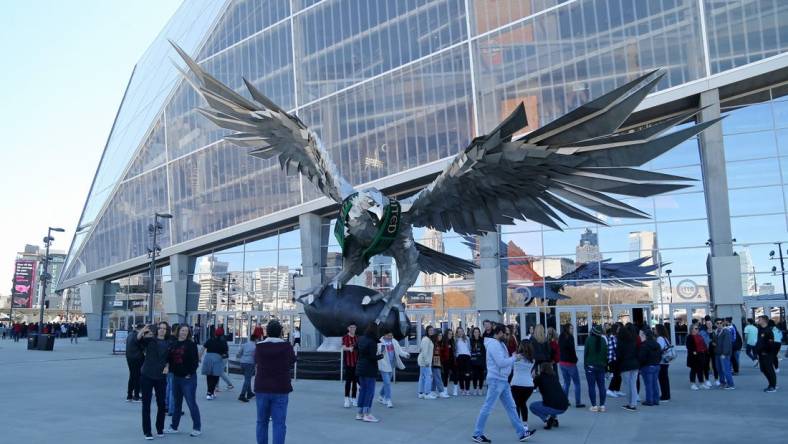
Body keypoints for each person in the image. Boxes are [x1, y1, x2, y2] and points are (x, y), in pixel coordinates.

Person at [471, 324, 535, 443]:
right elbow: (501, 363)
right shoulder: (494, 345)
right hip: (496, 380)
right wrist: (515, 358)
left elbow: (504, 362)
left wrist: (513, 357)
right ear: (499, 332)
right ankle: (477, 433)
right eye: (505, 333)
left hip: (502, 380)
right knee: (488, 407)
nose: (507, 335)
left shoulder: (499, 344)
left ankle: (521, 433)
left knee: (511, 407)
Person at [254, 319, 296, 444]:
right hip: (281, 388)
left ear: (267, 332)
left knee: (261, 422)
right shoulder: (286, 346)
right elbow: (292, 360)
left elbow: (256, 360)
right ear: (280, 333)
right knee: (279, 423)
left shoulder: (259, 346)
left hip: (262, 387)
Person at [164, 325, 202, 437]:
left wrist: (189, 373)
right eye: (182, 330)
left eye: (186, 331)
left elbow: (195, 361)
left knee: (191, 403)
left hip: (188, 379)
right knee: (177, 403)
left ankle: (197, 427)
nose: (184, 332)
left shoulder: (191, 344)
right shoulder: (174, 343)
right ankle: (174, 426)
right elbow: (169, 359)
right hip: (176, 377)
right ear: (178, 332)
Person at [137, 322, 171, 440]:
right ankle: (147, 431)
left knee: (161, 404)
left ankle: (160, 428)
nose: (162, 330)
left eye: (164, 329)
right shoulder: (150, 340)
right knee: (146, 404)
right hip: (147, 375)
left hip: (161, 377)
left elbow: (169, 358)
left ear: (167, 331)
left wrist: (167, 366)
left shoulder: (168, 343)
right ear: (157, 330)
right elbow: (138, 339)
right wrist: (143, 330)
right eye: (160, 328)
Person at [355, 322, 383, 422]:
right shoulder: (372, 341)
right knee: (370, 392)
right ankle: (367, 413)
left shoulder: (360, 338)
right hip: (369, 369)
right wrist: (381, 356)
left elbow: (355, 349)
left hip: (360, 368)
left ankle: (359, 413)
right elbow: (372, 357)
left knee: (363, 390)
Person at [530, 362, 569, 430]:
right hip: (564, 406)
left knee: (532, 406)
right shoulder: (554, 377)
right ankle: (555, 419)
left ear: (541, 369)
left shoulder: (539, 378)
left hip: (553, 406)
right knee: (552, 400)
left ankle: (546, 420)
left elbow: (531, 387)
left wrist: (533, 377)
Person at [376, 328, 410, 407]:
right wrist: (382, 349)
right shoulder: (380, 342)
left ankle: (381, 396)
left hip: (391, 364)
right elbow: (379, 352)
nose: (390, 337)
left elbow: (399, 351)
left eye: (391, 335)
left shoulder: (394, 341)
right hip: (384, 364)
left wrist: (406, 354)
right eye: (388, 335)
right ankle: (388, 399)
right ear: (384, 335)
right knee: (387, 382)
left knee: (386, 383)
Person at [558, 324, 584, 408]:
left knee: (566, 383)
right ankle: (578, 402)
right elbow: (572, 350)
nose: (573, 330)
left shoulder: (561, 337)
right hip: (570, 363)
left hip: (562, 362)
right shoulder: (570, 337)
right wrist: (575, 359)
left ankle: (564, 401)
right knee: (577, 383)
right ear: (567, 329)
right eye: (571, 328)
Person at [583, 325, 608, 412]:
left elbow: (586, 353)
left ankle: (594, 406)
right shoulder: (603, 341)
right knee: (602, 386)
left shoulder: (588, 339)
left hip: (590, 366)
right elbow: (606, 354)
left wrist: (585, 365)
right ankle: (602, 405)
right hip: (601, 366)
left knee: (591, 386)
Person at [511, 341, 535, 425]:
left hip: (516, 383)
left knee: (516, 404)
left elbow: (509, 365)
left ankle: (517, 423)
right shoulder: (532, 359)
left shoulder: (515, 356)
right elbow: (533, 373)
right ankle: (525, 423)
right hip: (528, 385)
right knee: (523, 403)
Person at [616, 323, 639, 411]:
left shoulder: (621, 342)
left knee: (627, 385)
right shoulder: (633, 340)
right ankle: (633, 403)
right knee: (633, 384)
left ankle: (631, 404)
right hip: (635, 364)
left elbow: (618, 355)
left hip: (625, 365)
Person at [201, 329, 228, 400]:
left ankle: (209, 392)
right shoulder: (223, 342)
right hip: (217, 359)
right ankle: (211, 392)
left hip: (208, 358)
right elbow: (225, 353)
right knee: (215, 376)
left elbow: (202, 348)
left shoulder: (210, 340)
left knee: (209, 376)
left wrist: (199, 357)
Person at [638, 329, 661, 406]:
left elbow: (642, 357)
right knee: (654, 383)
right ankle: (656, 399)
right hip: (656, 365)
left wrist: (640, 365)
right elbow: (660, 355)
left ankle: (649, 400)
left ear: (645, 336)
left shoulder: (644, 345)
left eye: (641, 335)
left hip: (647, 366)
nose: (640, 336)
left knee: (648, 384)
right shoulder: (656, 344)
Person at [756, 315, 778, 392]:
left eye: (759, 319)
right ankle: (770, 384)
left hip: (767, 354)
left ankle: (773, 386)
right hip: (761, 354)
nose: (758, 321)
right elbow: (760, 342)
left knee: (769, 370)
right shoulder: (760, 329)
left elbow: (771, 343)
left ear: (764, 321)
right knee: (763, 369)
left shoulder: (768, 330)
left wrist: (766, 351)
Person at [237, 331, 260, 402]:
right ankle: (242, 395)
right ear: (256, 339)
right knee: (247, 379)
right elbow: (257, 356)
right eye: (258, 339)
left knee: (247, 378)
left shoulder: (245, 344)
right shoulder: (256, 346)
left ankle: (249, 393)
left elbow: (239, 354)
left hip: (242, 362)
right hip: (250, 363)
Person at [342, 322, 359, 408]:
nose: (353, 329)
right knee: (348, 381)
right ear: (348, 328)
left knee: (355, 381)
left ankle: (354, 398)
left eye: (354, 327)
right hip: (348, 363)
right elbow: (343, 347)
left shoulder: (357, 338)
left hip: (356, 363)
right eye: (351, 327)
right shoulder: (345, 337)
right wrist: (349, 349)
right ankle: (346, 398)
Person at [686, 323, 709, 390]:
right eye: (696, 328)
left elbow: (703, 345)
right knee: (693, 370)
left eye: (698, 328)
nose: (697, 330)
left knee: (700, 370)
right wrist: (694, 353)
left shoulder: (699, 336)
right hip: (694, 356)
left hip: (701, 355)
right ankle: (692, 384)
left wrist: (705, 351)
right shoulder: (689, 337)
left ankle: (701, 383)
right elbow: (689, 347)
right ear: (692, 329)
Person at [714, 319, 735, 389]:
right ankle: (722, 383)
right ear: (716, 324)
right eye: (717, 323)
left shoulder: (726, 331)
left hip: (724, 354)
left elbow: (727, 343)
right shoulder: (716, 331)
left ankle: (731, 384)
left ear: (723, 324)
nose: (719, 324)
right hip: (717, 353)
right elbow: (715, 342)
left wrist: (724, 353)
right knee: (719, 369)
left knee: (726, 370)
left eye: (720, 323)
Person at [126, 324, 144, 402]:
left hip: (129, 358)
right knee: (137, 377)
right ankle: (136, 396)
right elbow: (142, 347)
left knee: (132, 376)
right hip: (137, 359)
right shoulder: (137, 335)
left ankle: (129, 395)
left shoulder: (130, 334)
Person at [418, 325, 437, 399]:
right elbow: (425, 352)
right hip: (425, 362)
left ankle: (421, 393)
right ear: (427, 331)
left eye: (432, 330)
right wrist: (427, 362)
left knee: (422, 377)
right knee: (429, 377)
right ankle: (427, 393)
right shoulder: (426, 339)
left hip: (423, 361)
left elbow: (421, 349)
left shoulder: (426, 339)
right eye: (430, 330)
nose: (431, 331)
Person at [655, 324, 672, 401]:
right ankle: (666, 395)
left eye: (655, 329)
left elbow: (659, 349)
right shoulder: (665, 338)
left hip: (662, 361)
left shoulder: (660, 338)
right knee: (665, 379)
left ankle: (665, 396)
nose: (654, 331)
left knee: (662, 379)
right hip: (666, 361)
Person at [214, 326, 235, 391]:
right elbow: (226, 349)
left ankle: (229, 384)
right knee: (218, 372)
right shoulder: (223, 339)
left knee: (219, 372)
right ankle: (217, 386)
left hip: (221, 357)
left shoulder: (218, 340)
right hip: (224, 357)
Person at [606, 323, 623, 398]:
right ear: (615, 329)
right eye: (618, 329)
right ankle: (610, 390)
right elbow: (615, 348)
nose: (619, 330)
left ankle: (616, 389)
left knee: (619, 376)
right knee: (616, 375)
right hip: (613, 359)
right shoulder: (612, 337)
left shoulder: (616, 337)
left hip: (616, 359)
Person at [455, 327, 472, 396]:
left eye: (461, 331)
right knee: (461, 374)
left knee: (467, 374)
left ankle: (467, 389)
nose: (460, 332)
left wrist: (470, 355)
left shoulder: (467, 338)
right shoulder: (455, 339)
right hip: (460, 357)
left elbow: (469, 347)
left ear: (463, 332)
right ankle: (462, 389)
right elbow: (455, 349)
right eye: (458, 331)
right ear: (457, 332)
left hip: (467, 357)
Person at [431, 331, 449, 398]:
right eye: (438, 335)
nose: (440, 337)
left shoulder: (439, 343)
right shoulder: (435, 343)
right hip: (434, 361)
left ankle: (432, 391)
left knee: (435, 377)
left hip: (437, 361)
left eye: (441, 335)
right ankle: (441, 391)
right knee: (438, 376)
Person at [441, 329, 458, 396]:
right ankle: (445, 390)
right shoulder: (443, 342)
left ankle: (455, 390)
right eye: (449, 334)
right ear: (446, 334)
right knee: (445, 375)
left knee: (455, 375)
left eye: (451, 334)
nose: (450, 335)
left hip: (453, 361)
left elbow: (455, 351)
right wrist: (442, 360)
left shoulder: (453, 341)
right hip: (446, 361)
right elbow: (441, 352)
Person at [470, 327, 486, 396]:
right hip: (473, 360)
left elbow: (484, 351)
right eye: (475, 332)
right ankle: (475, 389)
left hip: (481, 360)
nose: (476, 333)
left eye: (477, 332)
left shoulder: (482, 340)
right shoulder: (471, 340)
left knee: (481, 376)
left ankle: (480, 389)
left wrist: (484, 360)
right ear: (473, 333)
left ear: (479, 333)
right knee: (474, 376)